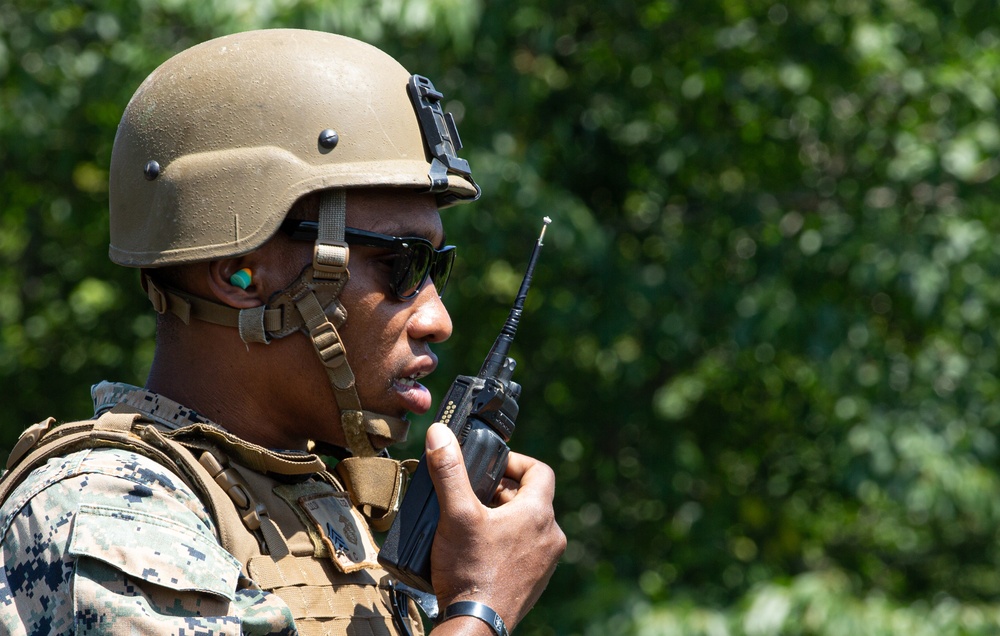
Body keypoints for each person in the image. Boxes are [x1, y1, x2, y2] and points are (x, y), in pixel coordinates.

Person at [0, 28, 565, 635]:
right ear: (241, 275)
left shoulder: (324, 510)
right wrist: (482, 607)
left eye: (436, 269)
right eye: (400, 265)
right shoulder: (106, 513)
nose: (437, 319)